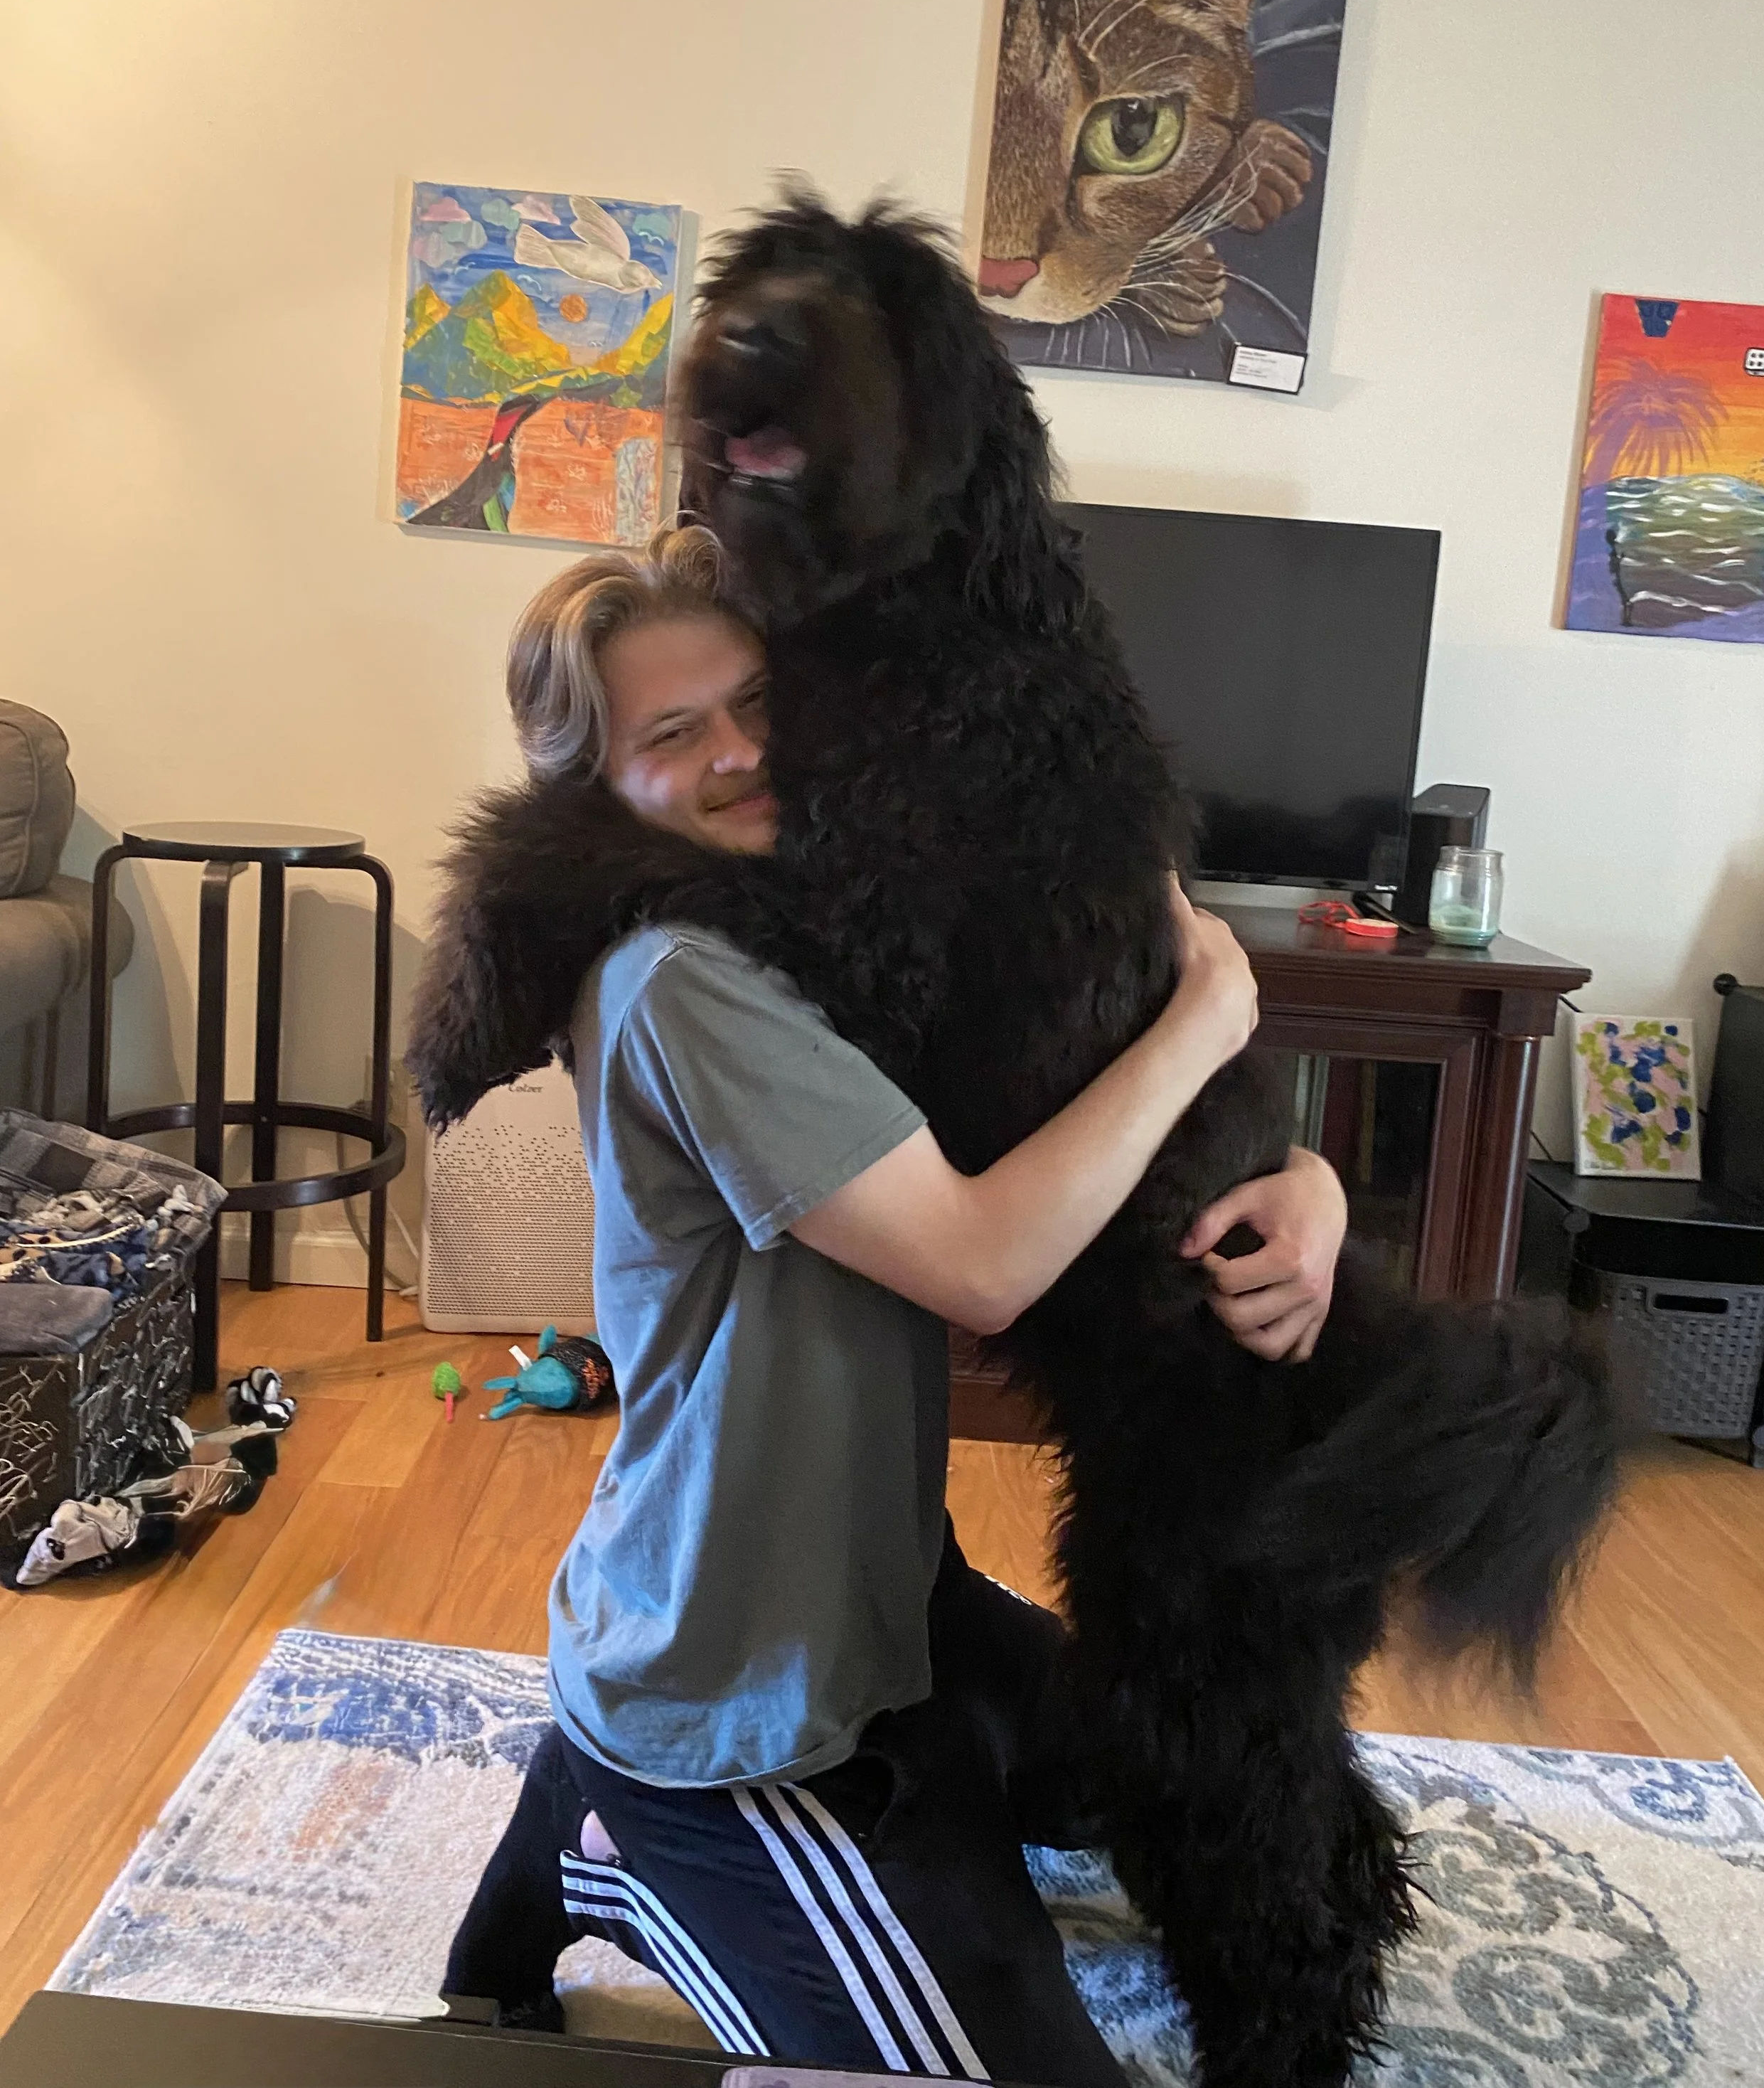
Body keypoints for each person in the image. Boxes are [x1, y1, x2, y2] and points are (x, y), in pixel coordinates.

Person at [438, 528, 1348, 2082]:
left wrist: (1309, 1182)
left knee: (1164, 1777)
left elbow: (1068, 1130)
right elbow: (986, 1256)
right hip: (741, 1693)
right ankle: (611, 1836)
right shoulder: (677, 977)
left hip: (889, 1607)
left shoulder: (820, 926)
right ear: (594, 792)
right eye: (672, 735)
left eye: (754, 703)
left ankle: (594, 1805)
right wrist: (1212, 1013)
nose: (740, 754)